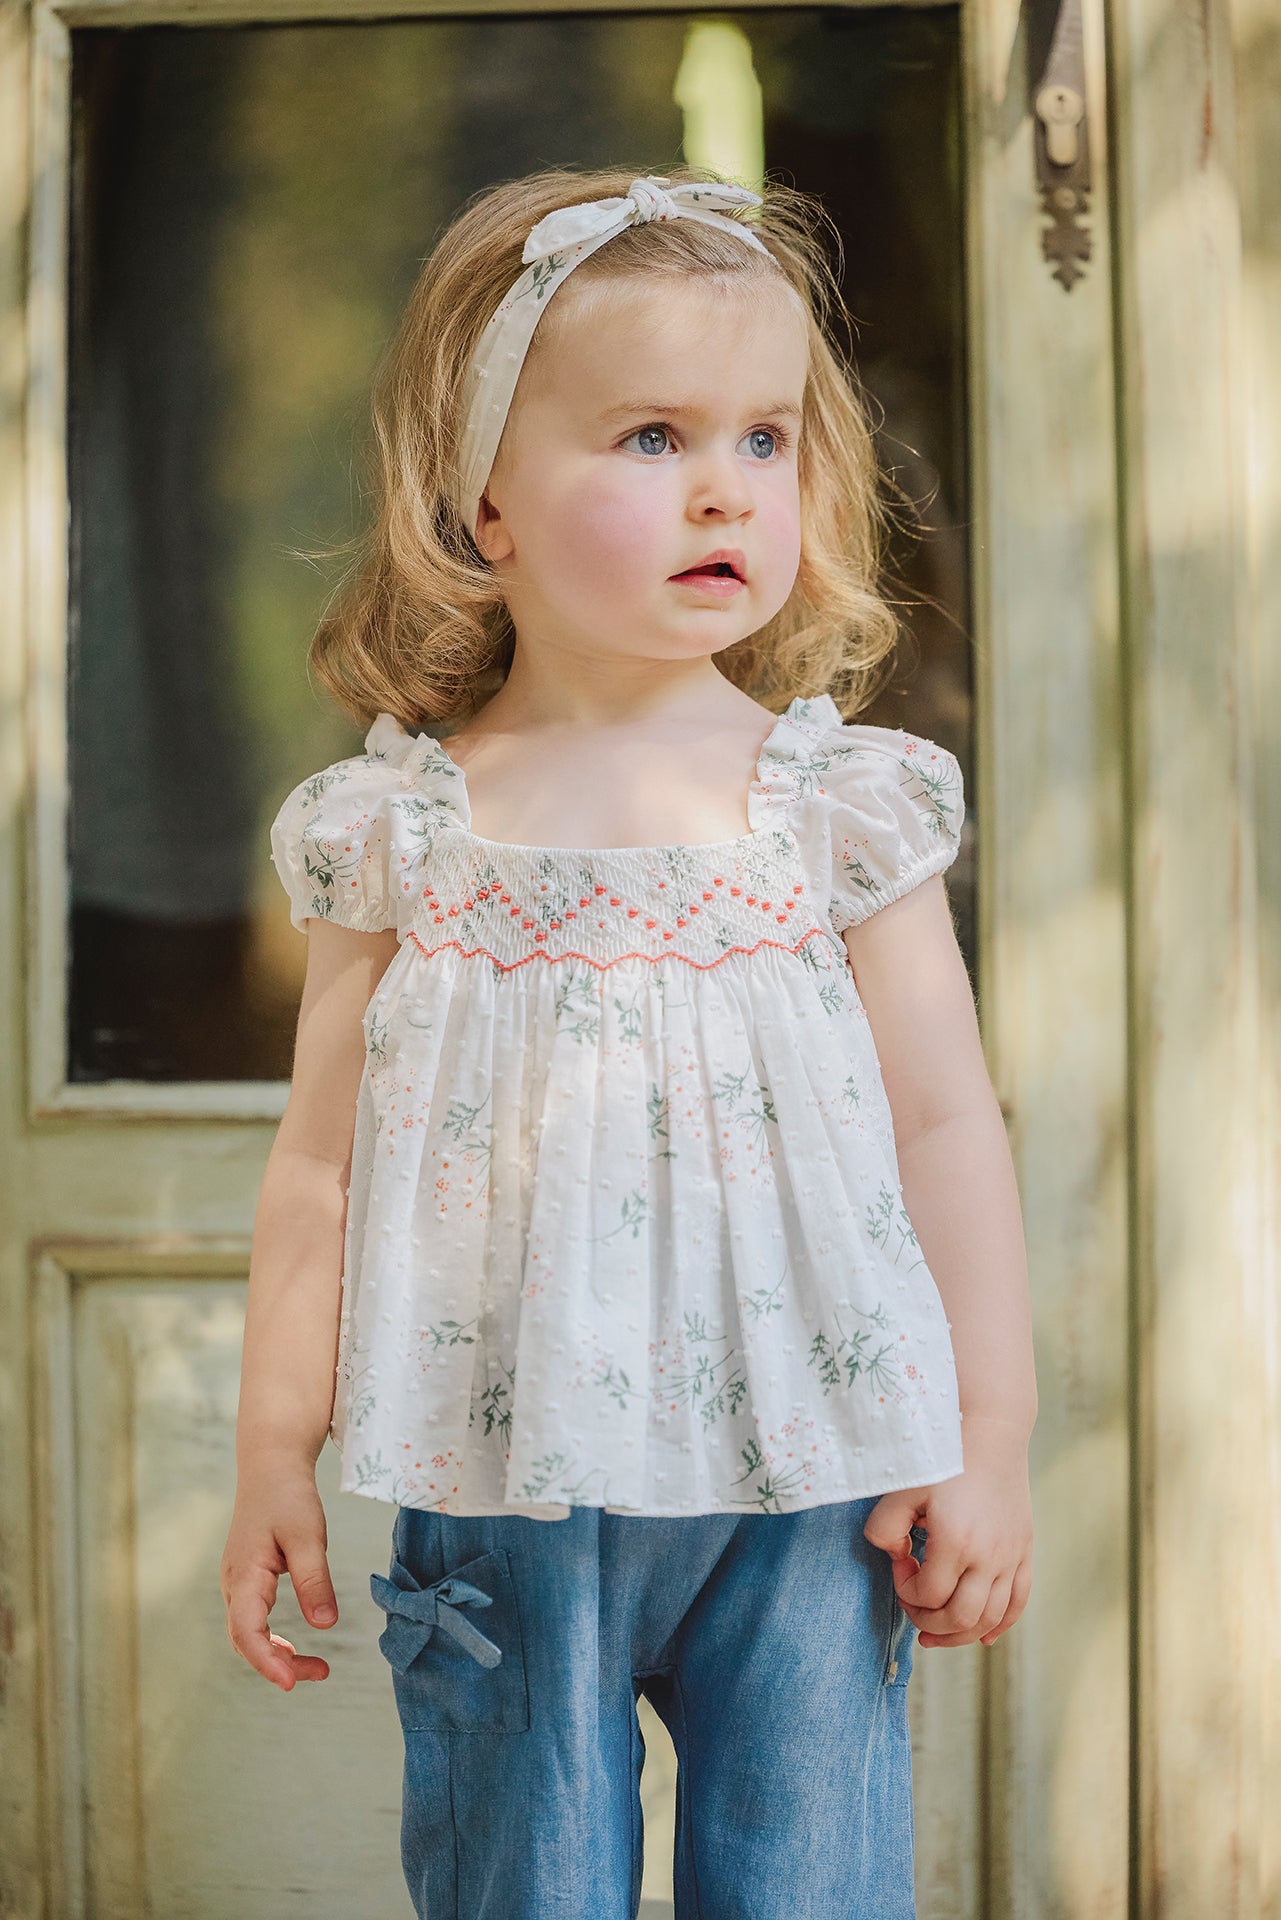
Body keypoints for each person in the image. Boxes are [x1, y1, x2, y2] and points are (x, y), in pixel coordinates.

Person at [221, 165, 1037, 1919]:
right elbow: (320, 1167)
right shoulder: (399, 831)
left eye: (764, 437)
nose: (725, 486)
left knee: (808, 1882)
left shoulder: (836, 808)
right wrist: (272, 1445)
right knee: (519, 1880)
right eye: (652, 437)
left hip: (812, 1472)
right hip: (502, 1477)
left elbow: (944, 1126)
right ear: (482, 499)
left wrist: (986, 1429)